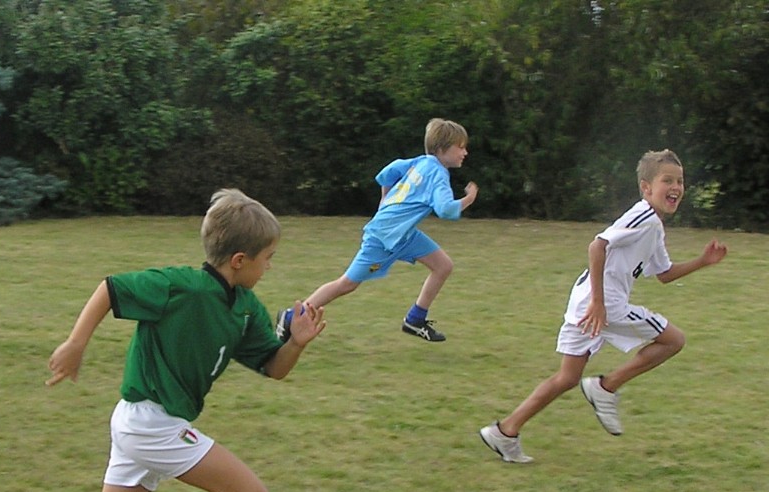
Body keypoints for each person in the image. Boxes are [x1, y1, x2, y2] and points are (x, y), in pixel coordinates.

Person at [0, 189, 326, 492]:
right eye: (269, 258)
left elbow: (274, 367)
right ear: (239, 260)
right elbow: (110, 289)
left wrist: (296, 343)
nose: (271, 267)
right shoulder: (181, 287)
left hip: (148, 423)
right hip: (150, 423)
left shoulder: (246, 309)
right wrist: (75, 344)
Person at [480, 149, 727, 463]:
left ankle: (505, 431)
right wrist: (599, 303)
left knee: (567, 378)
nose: (676, 187)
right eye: (667, 180)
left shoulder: (654, 225)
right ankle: (606, 387)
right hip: (603, 303)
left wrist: (703, 261)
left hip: (584, 301)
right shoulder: (643, 217)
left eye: (680, 181)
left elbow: (664, 274)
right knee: (673, 340)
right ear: (646, 187)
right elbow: (597, 246)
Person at [276, 117, 478, 343]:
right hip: (383, 237)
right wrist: (469, 199)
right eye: (460, 147)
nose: (465, 152)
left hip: (403, 235)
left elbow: (387, 172)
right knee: (347, 284)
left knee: (443, 265)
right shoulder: (438, 174)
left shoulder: (419, 162)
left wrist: (385, 200)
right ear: (441, 149)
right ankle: (291, 316)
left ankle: (415, 319)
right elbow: (446, 209)